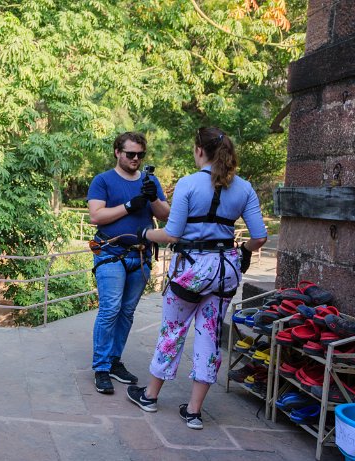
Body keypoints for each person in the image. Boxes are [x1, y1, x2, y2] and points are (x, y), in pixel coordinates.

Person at [126, 126, 267, 429]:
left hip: (192, 269)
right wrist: (242, 249)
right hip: (225, 270)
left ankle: (150, 396)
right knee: (210, 334)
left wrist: (144, 233)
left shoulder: (189, 184)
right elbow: (260, 237)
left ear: (199, 151)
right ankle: (193, 411)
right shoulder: (244, 188)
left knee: (173, 330)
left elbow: (171, 233)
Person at [87, 132, 170, 395]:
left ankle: (113, 361)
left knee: (126, 312)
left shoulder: (150, 181)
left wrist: (151, 197)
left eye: (140, 155)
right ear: (117, 152)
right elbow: (96, 216)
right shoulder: (103, 181)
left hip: (141, 255)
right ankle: (101, 367)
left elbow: (166, 214)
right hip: (111, 252)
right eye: (130, 154)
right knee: (110, 309)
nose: (135, 159)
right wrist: (130, 204)